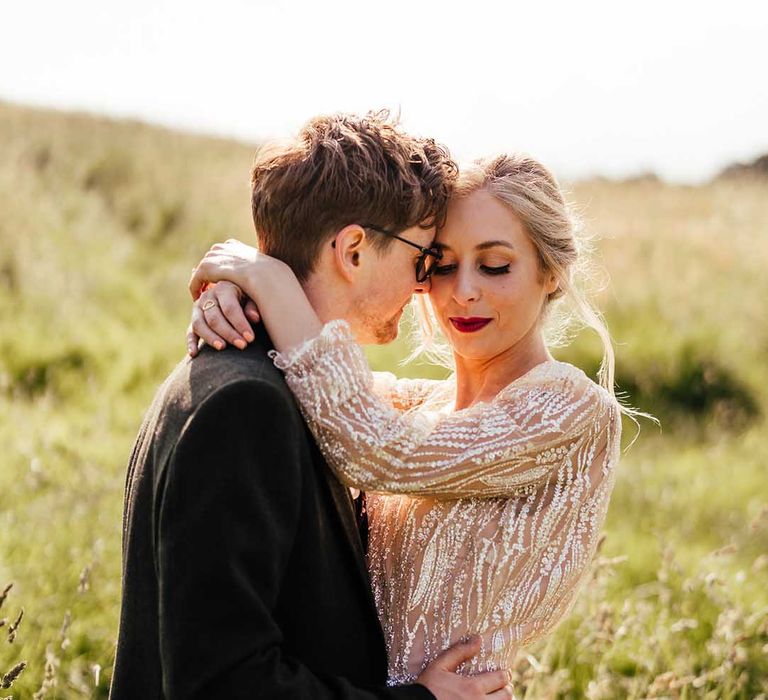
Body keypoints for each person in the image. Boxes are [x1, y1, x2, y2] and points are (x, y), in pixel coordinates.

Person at [109, 111, 514, 700]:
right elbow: (223, 683)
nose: (427, 287)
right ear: (352, 250)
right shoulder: (246, 407)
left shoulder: (284, 383)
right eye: (422, 259)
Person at [186, 153, 627, 688]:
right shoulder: (414, 406)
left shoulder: (569, 408)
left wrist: (269, 281)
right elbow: (323, 390)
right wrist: (237, 295)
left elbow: (380, 449)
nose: (463, 290)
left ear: (550, 272)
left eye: (494, 265)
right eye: (440, 264)